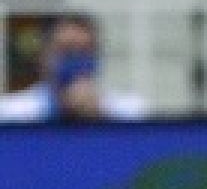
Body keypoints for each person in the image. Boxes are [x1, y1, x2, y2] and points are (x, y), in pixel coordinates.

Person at [0, 12, 147, 123]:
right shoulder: (10, 113)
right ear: (43, 56)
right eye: (67, 50)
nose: (77, 59)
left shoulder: (130, 112)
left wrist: (99, 117)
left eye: (85, 51)